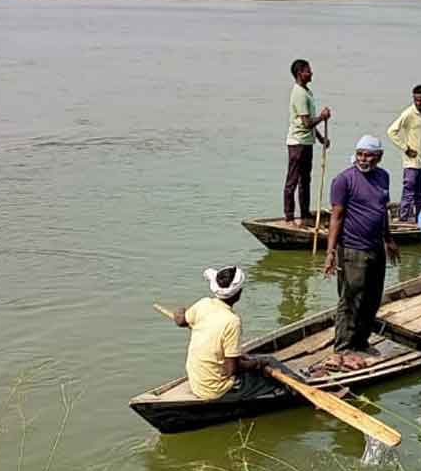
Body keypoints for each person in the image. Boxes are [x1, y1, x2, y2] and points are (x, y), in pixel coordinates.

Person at [322, 135, 400, 370]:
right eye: (360, 154)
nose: (363, 159)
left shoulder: (383, 177)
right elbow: (336, 217)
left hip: (376, 247)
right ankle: (343, 347)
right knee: (350, 299)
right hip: (352, 249)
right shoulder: (344, 180)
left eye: (368, 155)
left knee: (372, 297)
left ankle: (361, 341)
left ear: (379, 157)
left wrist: (388, 239)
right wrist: (330, 252)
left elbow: (382, 211)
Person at [169, 266, 281, 401]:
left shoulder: (203, 304)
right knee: (271, 365)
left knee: (252, 359)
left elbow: (181, 321)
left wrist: (180, 310)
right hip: (216, 390)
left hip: (196, 382)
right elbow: (231, 370)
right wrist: (259, 363)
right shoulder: (232, 321)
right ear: (238, 294)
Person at [284, 59, 331, 225]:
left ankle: (305, 215)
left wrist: (320, 138)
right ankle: (289, 216)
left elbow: (309, 122)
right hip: (297, 143)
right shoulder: (299, 94)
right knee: (293, 181)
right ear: (300, 73)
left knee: (305, 180)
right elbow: (306, 123)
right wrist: (322, 117)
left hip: (306, 142)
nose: (311, 73)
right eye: (308, 71)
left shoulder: (307, 92)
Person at [386, 84, 421, 223]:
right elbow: (391, 132)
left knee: (420, 193)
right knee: (409, 192)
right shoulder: (409, 113)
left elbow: (418, 133)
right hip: (411, 162)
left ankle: (419, 218)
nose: (419, 103)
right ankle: (403, 219)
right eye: (416, 100)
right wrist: (406, 148)